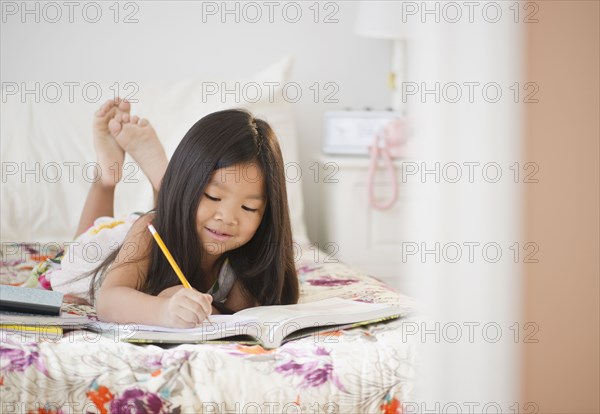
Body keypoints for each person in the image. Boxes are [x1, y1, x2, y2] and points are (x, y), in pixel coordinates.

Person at [51, 98, 299, 328]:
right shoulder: (149, 230)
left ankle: (165, 186)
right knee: (83, 243)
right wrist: (164, 309)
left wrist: (202, 309)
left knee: (176, 220)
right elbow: (108, 301)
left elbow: (233, 316)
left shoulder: (246, 259)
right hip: (108, 254)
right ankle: (107, 178)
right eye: (213, 196)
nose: (228, 218)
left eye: (249, 208)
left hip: (176, 226)